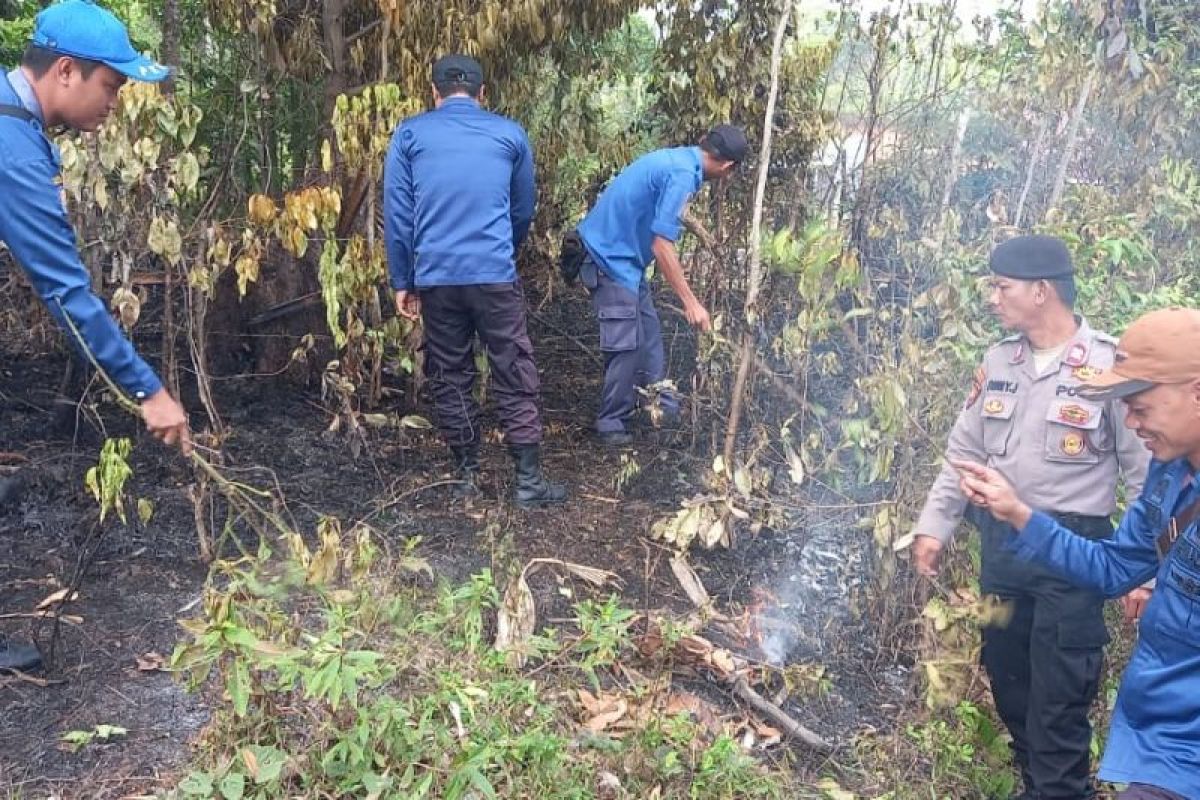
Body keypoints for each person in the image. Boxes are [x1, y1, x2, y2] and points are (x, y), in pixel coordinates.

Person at [909, 235, 1150, 800]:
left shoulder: (1108, 367)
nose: (993, 298)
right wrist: (934, 525)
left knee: (1061, 692)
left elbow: (1145, 478)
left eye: (1002, 287)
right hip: (1001, 555)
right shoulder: (998, 361)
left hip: (1076, 554)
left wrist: (1149, 570)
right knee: (1005, 671)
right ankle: (1037, 784)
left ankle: (1060, 790)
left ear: (1041, 291)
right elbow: (962, 452)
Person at [0, 0, 189, 673]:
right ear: (66, 72)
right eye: (111, 86)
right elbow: (66, 292)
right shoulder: (11, 144)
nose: (114, 103)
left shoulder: (12, 119)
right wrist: (149, 390)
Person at [956, 306, 1200, 800]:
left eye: (1140, 404)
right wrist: (1019, 514)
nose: (1129, 421)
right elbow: (1111, 568)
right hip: (1166, 741)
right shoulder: (1169, 476)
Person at [383, 54, 566, 509]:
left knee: (449, 373)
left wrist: (403, 279)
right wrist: (501, 249)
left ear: (434, 93)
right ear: (484, 94)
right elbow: (523, 208)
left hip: (437, 279)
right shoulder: (509, 134)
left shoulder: (409, 135)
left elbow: (400, 217)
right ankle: (527, 483)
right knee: (513, 367)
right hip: (494, 274)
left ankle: (466, 477)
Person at [570, 125, 747, 446]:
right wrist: (691, 302)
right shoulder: (682, 175)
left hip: (628, 264)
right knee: (627, 344)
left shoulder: (680, 160)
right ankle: (611, 424)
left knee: (649, 338)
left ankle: (665, 412)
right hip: (607, 257)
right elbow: (661, 246)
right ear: (727, 166)